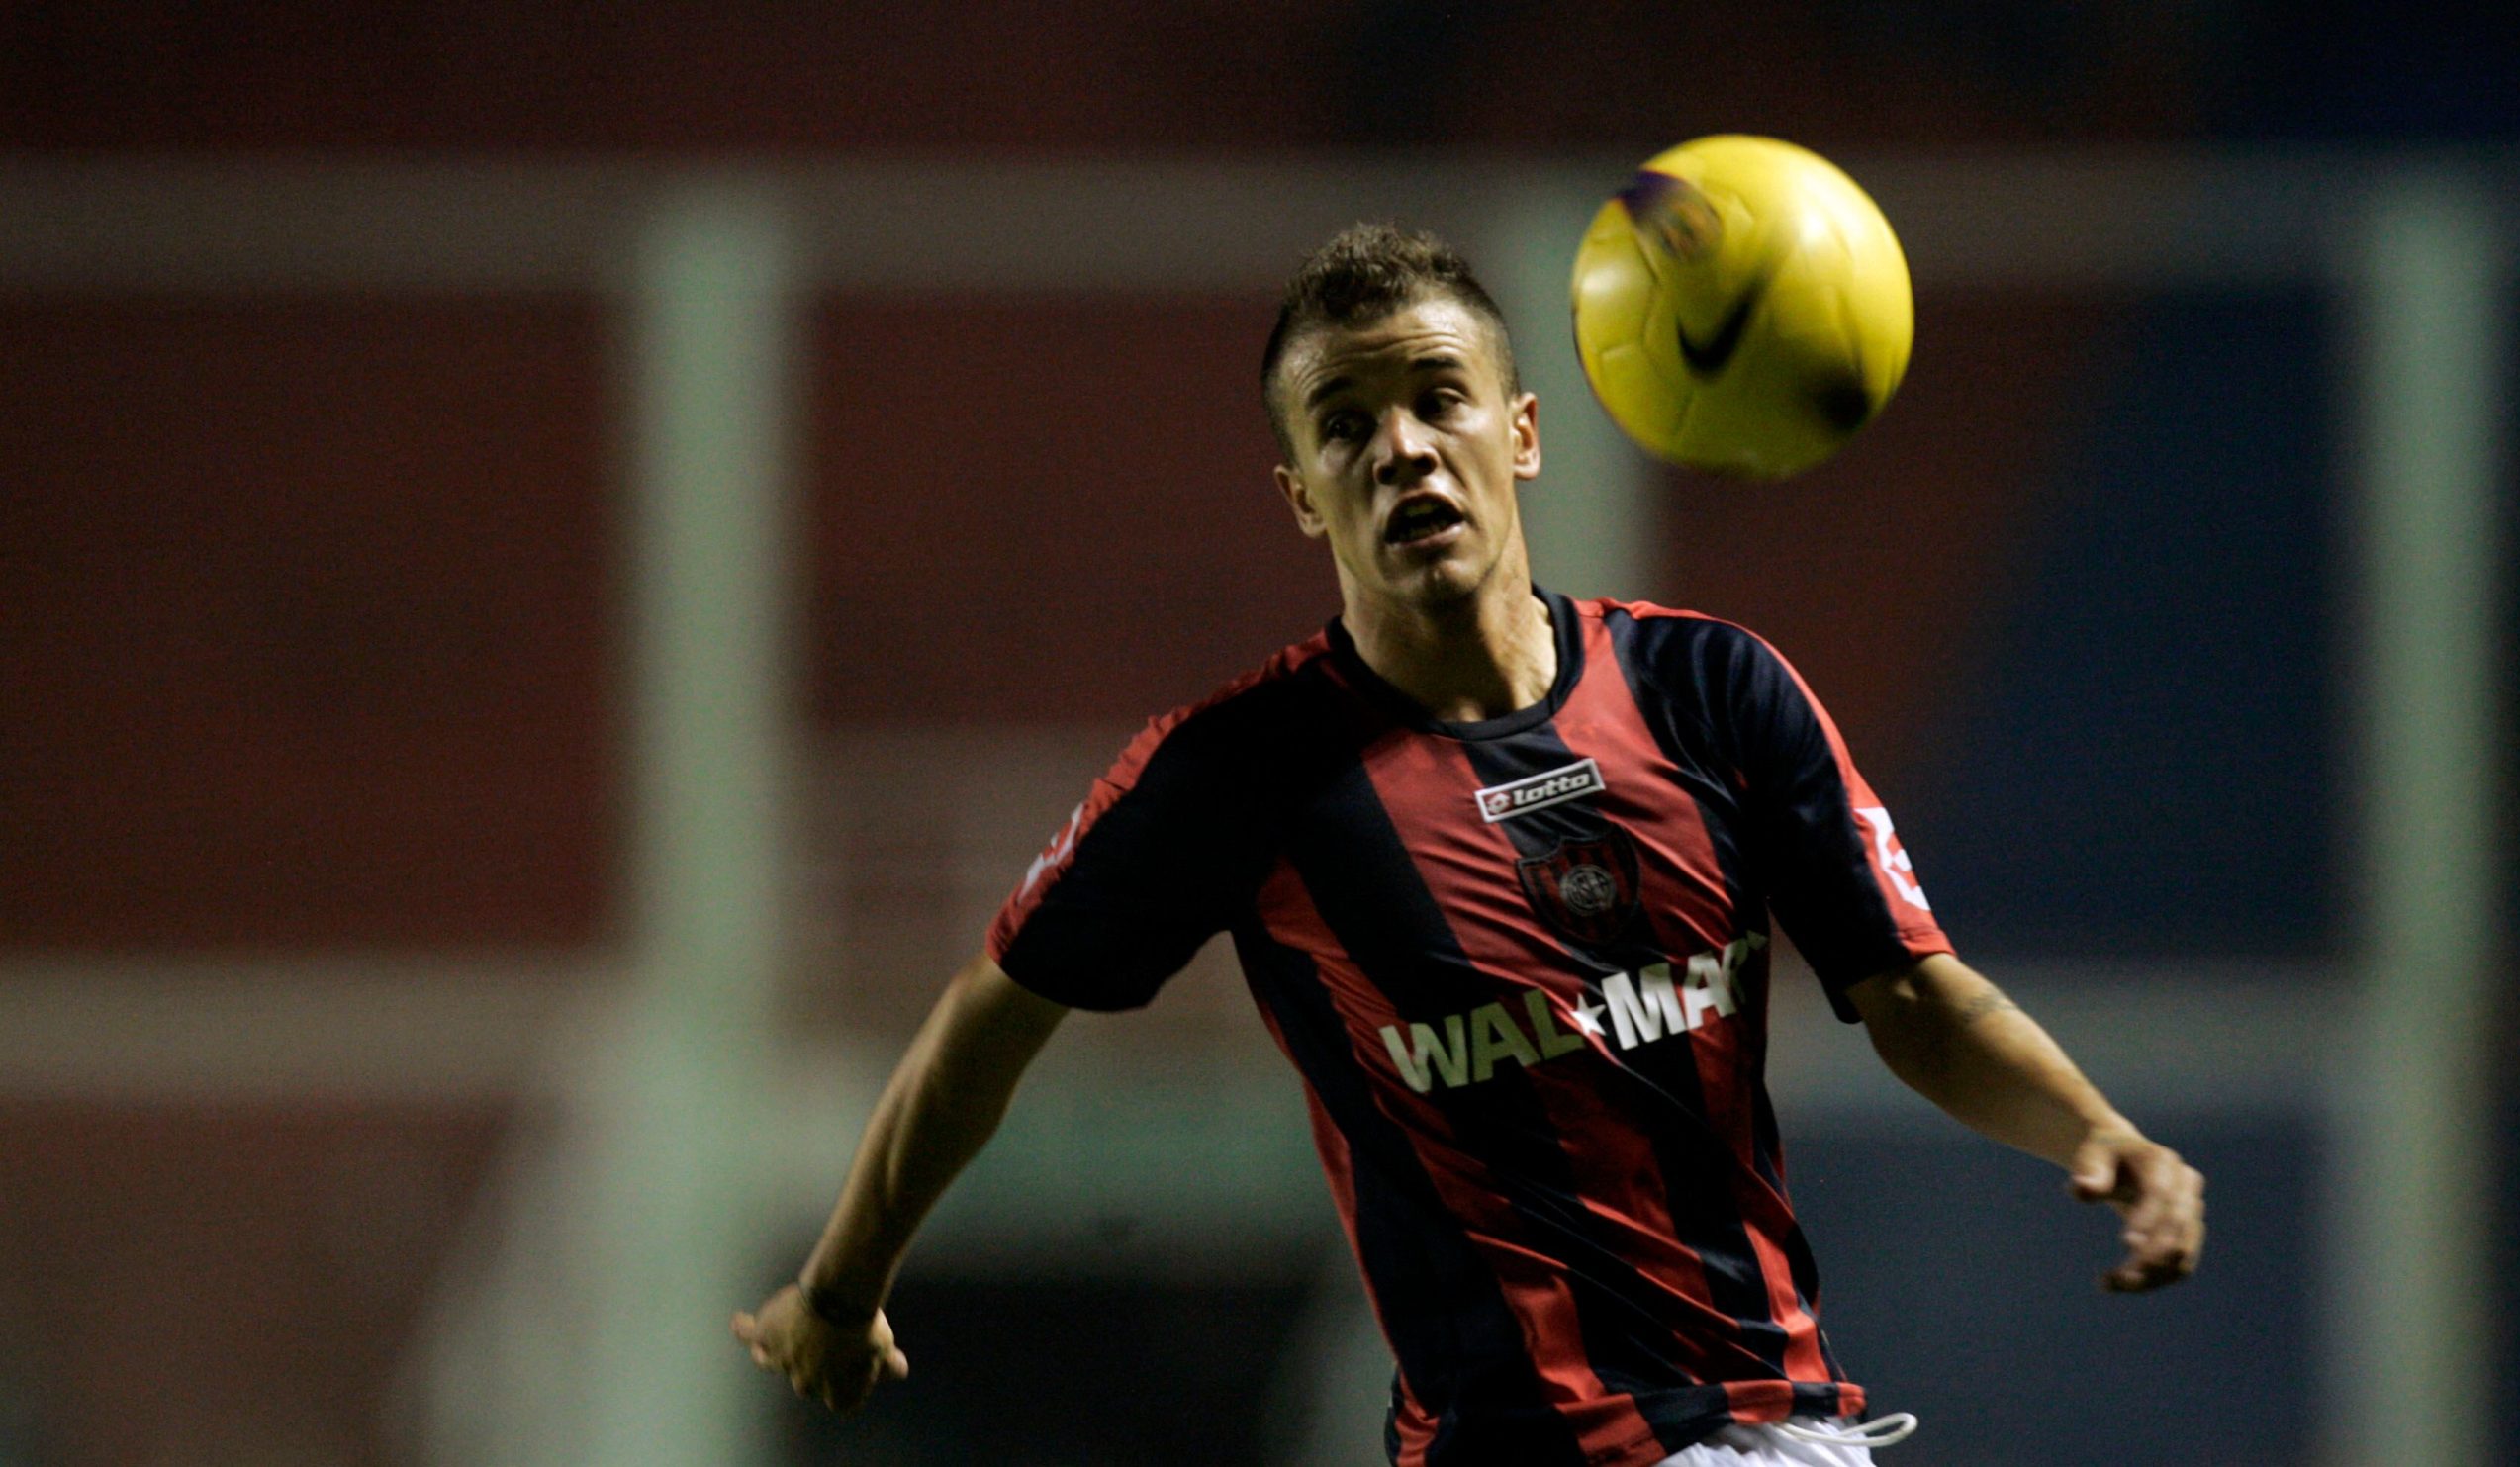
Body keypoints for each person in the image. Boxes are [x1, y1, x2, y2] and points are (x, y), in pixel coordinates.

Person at [732, 224, 2204, 1466]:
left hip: (1765, 1429)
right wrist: (843, 1286)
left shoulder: (1712, 690)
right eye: (1345, 424)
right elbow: (994, 1014)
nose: (1402, 449)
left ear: (1523, 432)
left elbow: (1913, 991)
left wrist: (2103, 1135)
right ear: (1301, 495)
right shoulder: (1241, 772)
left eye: (1440, 398)